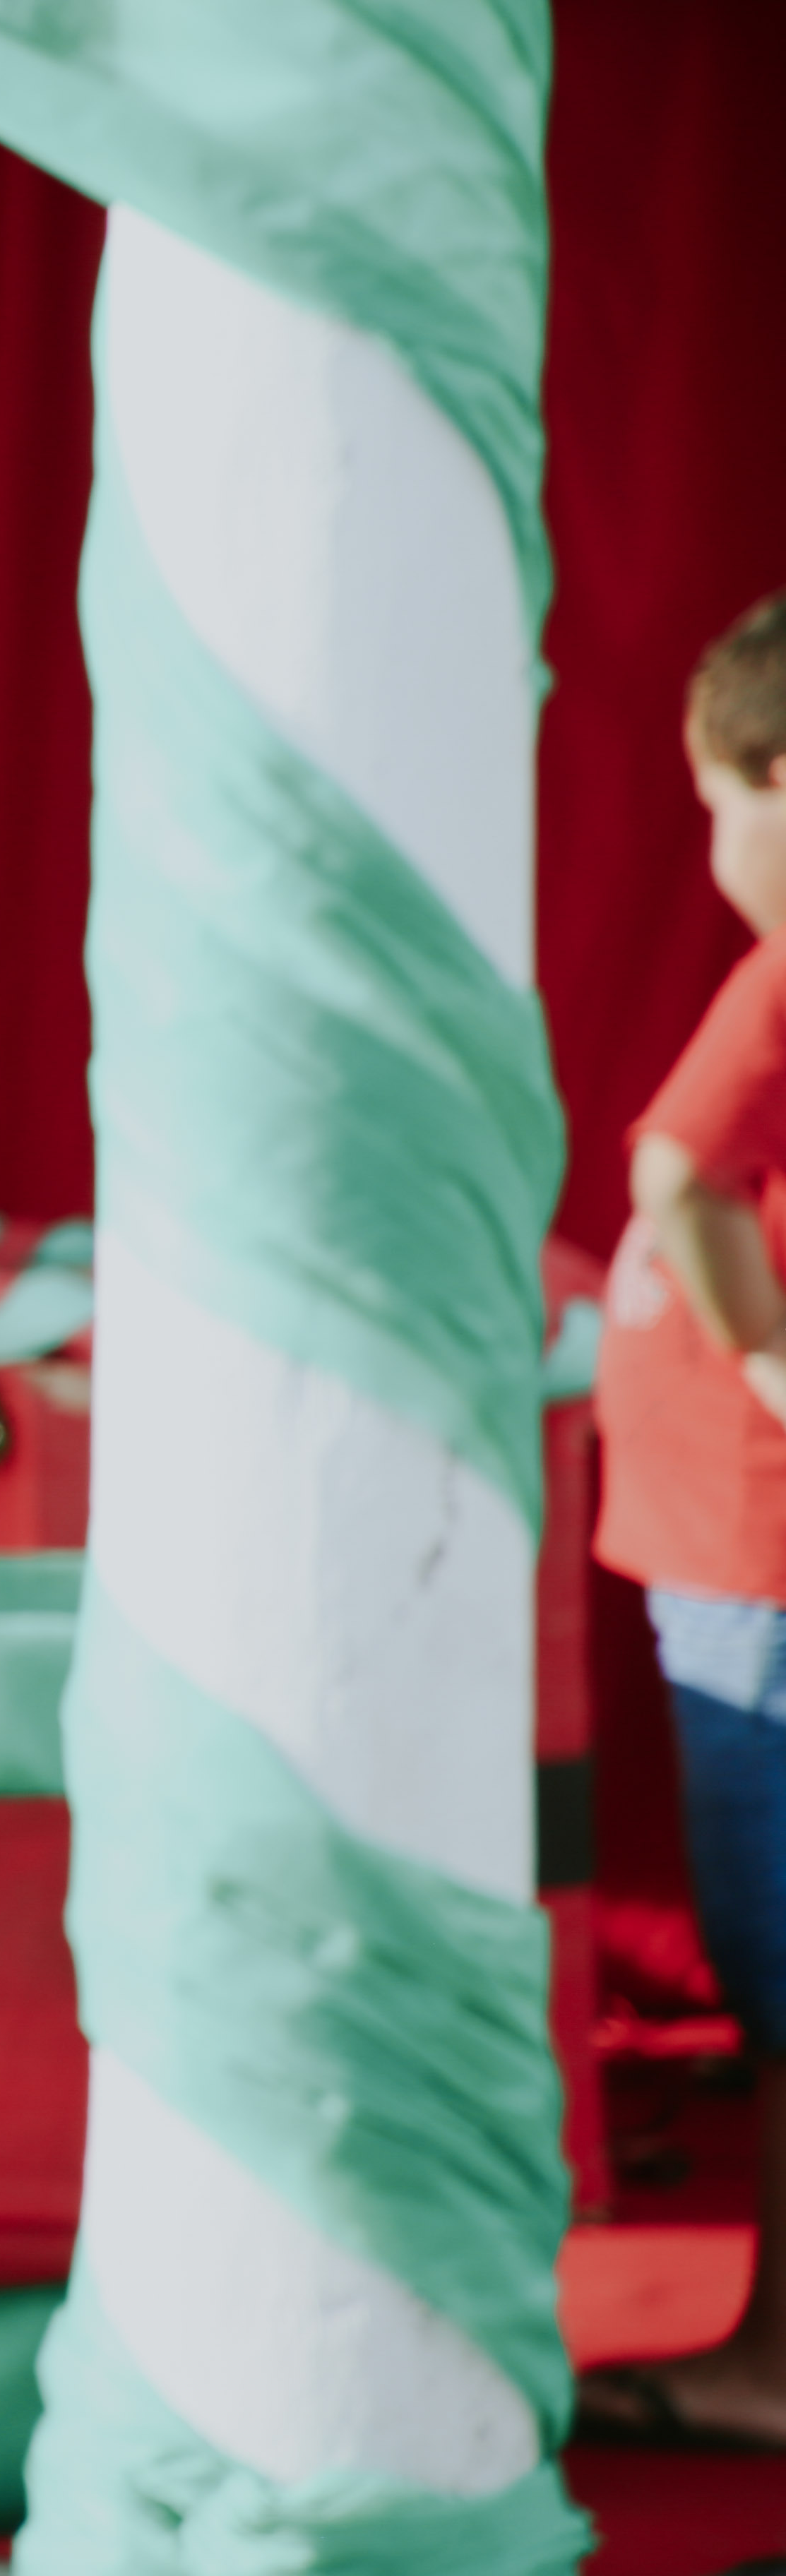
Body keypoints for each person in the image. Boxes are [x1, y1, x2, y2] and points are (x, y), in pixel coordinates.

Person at [583, 590, 786, 2448]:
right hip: (734, 1562)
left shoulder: (778, 973)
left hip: (755, 1566)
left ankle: (771, 2358)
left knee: (777, 1974)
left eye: (716, 802)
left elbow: (679, 1171)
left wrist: (768, 1359)